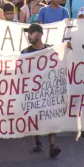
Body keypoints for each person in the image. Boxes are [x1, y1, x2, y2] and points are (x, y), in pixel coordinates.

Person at [22, 23, 62, 158]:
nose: (29, 36)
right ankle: (38, 143)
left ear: (39, 34)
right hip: (32, 92)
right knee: (35, 117)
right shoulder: (25, 52)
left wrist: (66, 48)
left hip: (48, 91)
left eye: (31, 33)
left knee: (51, 116)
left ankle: (52, 146)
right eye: (28, 33)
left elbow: (60, 63)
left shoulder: (50, 50)